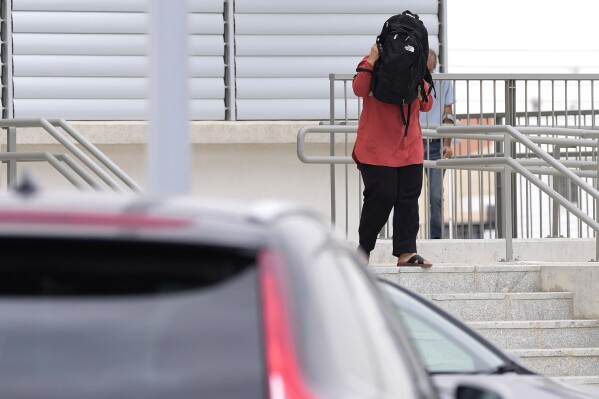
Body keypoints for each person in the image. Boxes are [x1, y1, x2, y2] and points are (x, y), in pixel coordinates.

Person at [353, 43, 433, 268]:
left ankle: (407, 252)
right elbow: (359, 89)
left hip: (409, 148)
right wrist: (371, 59)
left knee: (408, 200)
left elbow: (427, 103)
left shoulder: (415, 68)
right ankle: (363, 249)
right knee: (382, 196)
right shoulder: (371, 63)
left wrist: (418, 83)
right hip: (376, 148)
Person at [419, 49, 455, 239]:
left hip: (435, 144)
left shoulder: (444, 81)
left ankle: (436, 241)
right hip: (414, 143)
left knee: (435, 196)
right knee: (409, 195)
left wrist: (447, 144)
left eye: (430, 69)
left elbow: (448, 114)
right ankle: (409, 242)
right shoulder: (411, 78)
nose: (428, 73)